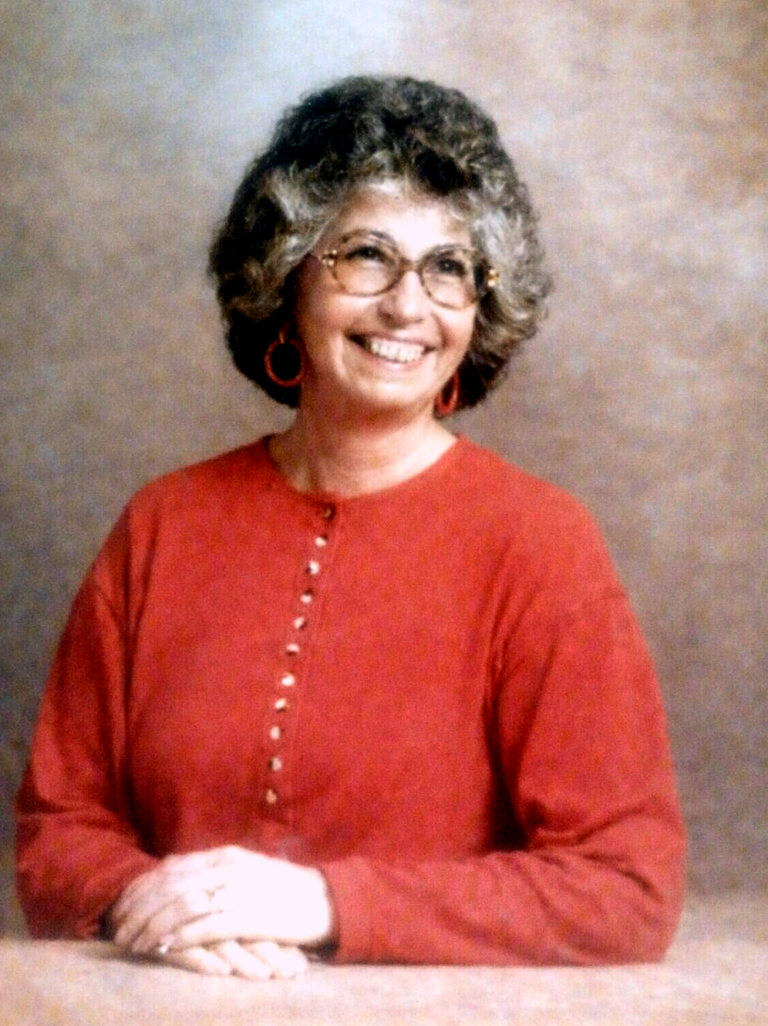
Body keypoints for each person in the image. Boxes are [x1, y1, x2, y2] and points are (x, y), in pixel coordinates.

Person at [15, 75, 685, 980]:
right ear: (285, 275)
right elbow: (59, 833)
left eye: (448, 267)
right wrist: (160, 906)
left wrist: (325, 905)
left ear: (480, 307)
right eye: (367, 256)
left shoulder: (541, 543)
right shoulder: (161, 524)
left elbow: (627, 887)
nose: (409, 305)